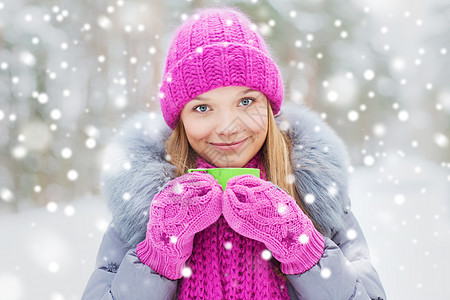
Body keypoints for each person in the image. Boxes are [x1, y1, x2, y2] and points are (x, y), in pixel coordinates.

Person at [82, 6, 386, 300]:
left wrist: (304, 250)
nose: (227, 127)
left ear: (268, 105)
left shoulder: (316, 193)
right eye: (203, 108)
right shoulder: (143, 204)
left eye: (245, 102)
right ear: (180, 119)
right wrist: (157, 255)